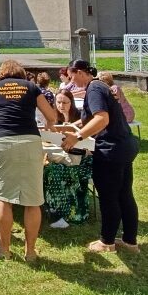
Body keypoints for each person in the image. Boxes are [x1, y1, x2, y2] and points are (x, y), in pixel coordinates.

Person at [0, 59, 58, 262]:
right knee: (33, 201)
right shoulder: (31, 87)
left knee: (4, 198)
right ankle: (30, 252)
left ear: (0, 74)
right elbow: (51, 115)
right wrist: (49, 124)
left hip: (4, 141)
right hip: (30, 140)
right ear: (20, 73)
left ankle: (5, 249)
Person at [61, 60, 140, 254]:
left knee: (108, 197)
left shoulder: (94, 89)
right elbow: (89, 118)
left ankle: (107, 242)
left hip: (110, 151)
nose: (71, 82)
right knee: (124, 194)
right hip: (124, 146)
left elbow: (101, 119)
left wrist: (77, 137)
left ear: (80, 72)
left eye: (71, 77)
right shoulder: (100, 86)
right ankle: (130, 241)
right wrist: (69, 127)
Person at [43, 89, 93, 229]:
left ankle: (64, 212)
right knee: (47, 169)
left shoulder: (80, 119)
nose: (61, 105)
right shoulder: (54, 118)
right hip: (62, 157)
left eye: (65, 102)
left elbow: (87, 145)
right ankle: (54, 211)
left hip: (81, 160)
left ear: (72, 103)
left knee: (54, 171)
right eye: (58, 102)